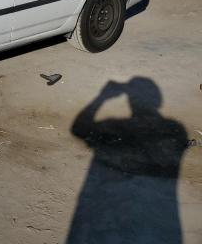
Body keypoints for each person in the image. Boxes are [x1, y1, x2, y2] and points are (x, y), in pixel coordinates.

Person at [67, 77, 188, 244]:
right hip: (155, 226)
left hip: (107, 221)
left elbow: (78, 129)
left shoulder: (114, 127)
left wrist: (102, 97)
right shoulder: (175, 129)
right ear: (157, 101)